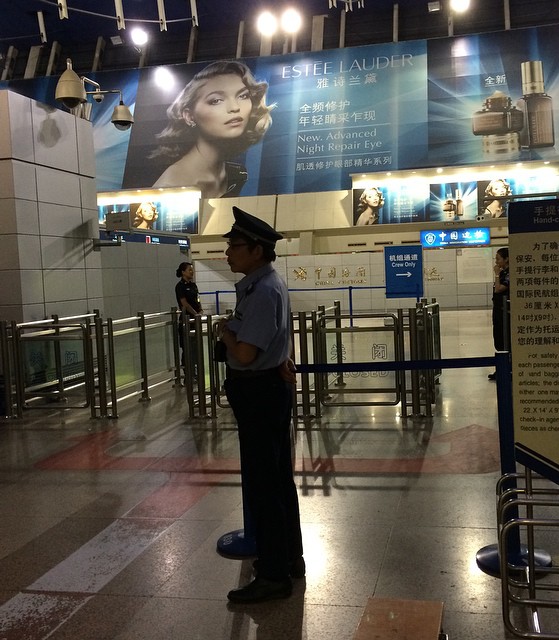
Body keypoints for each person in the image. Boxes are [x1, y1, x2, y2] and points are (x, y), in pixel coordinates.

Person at [217, 206, 303, 604]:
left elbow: (246, 353)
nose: (227, 253)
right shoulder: (265, 284)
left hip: (258, 393)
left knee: (265, 484)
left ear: (256, 250)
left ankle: (272, 575)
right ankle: (289, 558)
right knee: (278, 479)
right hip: (268, 389)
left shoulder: (263, 289)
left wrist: (224, 332)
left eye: (234, 246)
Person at [151, 60, 273, 198]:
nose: (234, 107)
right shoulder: (171, 187)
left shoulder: (236, 174)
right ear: (189, 116)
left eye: (243, 96)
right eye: (216, 101)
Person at [175, 262, 202, 374]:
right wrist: (195, 313)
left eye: (192, 270)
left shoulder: (193, 285)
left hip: (195, 320)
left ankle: (195, 371)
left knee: (195, 347)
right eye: (189, 270)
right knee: (187, 348)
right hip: (186, 320)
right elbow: (184, 303)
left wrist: (200, 309)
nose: (192, 272)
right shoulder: (180, 286)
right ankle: (188, 374)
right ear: (183, 272)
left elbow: (198, 298)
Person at [488, 247, 509, 380]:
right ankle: (501, 367)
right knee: (498, 338)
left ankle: (506, 368)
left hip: (504, 311)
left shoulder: (508, 274)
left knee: (504, 339)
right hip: (498, 309)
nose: (496, 262)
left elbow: (499, 289)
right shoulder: (503, 273)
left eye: (498, 259)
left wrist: (496, 274)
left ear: (506, 259)